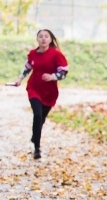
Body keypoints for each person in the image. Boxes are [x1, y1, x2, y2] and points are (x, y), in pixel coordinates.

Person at [12, 29, 69, 160]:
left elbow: (64, 72)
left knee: (41, 119)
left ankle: (35, 135)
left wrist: (52, 76)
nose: (43, 39)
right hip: (34, 88)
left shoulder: (56, 54)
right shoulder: (33, 54)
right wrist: (19, 79)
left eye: (46, 36)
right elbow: (27, 68)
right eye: (40, 36)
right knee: (37, 115)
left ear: (50, 39)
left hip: (50, 92)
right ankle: (37, 147)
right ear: (37, 39)